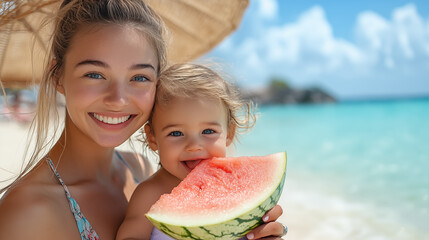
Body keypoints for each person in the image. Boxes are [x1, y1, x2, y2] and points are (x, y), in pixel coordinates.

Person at [0, 1, 285, 240]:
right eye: (95, 74)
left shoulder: (139, 169)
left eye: (139, 78)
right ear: (57, 76)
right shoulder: (28, 213)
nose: (118, 99)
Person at [116, 63, 286, 240]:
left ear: (229, 133)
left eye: (208, 131)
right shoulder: (148, 195)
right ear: (153, 138)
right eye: (176, 133)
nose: (194, 145)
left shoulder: (241, 191)